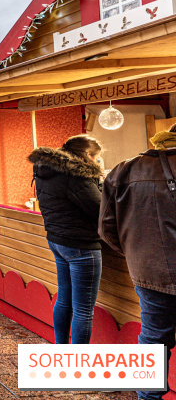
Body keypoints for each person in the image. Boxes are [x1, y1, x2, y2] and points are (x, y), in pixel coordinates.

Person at [100, 124, 176, 400]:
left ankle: (147, 395)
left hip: (148, 271)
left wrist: (136, 254)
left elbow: (107, 228)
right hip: (149, 269)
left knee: (154, 337)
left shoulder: (125, 169)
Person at [28, 135, 103, 345]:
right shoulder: (76, 176)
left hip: (57, 241)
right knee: (83, 310)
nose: (97, 161)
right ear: (87, 155)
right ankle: (77, 364)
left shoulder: (47, 170)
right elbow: (99, 209)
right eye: (96, 157)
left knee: (64, 299)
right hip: (81, 245)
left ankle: (61, 348)